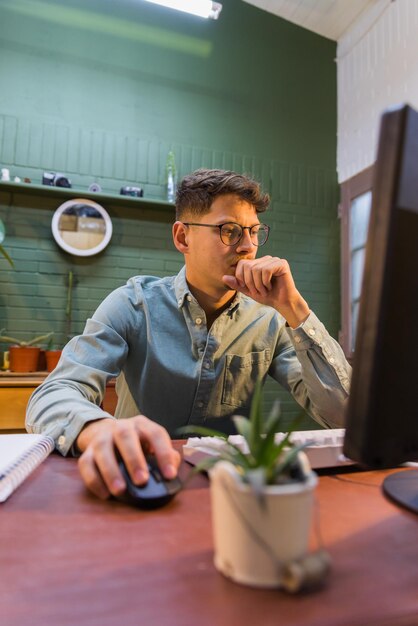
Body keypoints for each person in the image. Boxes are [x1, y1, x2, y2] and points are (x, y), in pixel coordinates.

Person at [26, 169, 351, 500]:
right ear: (183, 238)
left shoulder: (270, 320)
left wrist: (295, 309)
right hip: (141, 480)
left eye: (254, 232)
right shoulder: (134, 304)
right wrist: (97, 430)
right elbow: (54, 393)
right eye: (230, 231)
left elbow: (345, 417)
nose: (248, 247)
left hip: (233, 492)